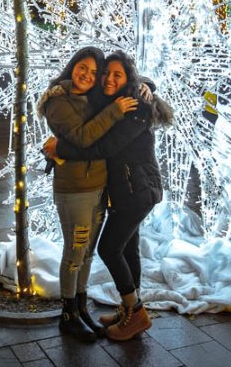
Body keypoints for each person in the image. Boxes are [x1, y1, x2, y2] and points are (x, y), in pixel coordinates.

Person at [45, 50, 173, 341]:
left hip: (136, 190)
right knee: (128, 248)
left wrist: (60, 149)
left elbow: (103, 147)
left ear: (128, 78)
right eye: (106, 73)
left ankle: (135, 313)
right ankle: (129, 308)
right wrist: (147, 85)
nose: (107, 79)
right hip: (126, 189)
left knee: (108, 249)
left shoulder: (135, 108)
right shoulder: (113, 100)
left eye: (117, 75)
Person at [37, 47, 138, 342]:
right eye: (83, 68)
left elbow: (124, 80)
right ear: (73, 66)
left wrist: (146, 86)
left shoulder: (92, 97)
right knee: (74, 252)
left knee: (88, 253)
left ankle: (81, 308)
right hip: (75, 190)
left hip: (98, 187)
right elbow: (83, 137)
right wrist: (114, 111)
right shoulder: (58, 101)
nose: (88, 76)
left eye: (95, 72)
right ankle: (68, 315)